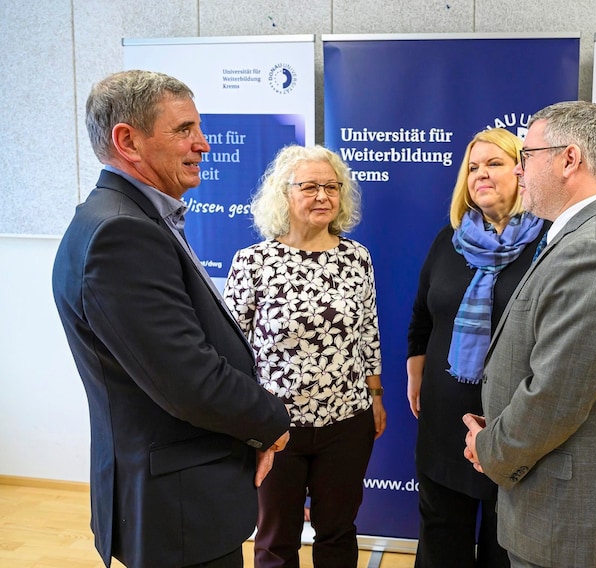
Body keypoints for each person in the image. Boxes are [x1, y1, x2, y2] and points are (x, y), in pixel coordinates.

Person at [51, 70, 291, 568]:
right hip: (179, 507)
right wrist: (271, 422)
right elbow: (189, 380)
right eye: (184, 130)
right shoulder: (123, 234)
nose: (203, 144)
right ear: (127, 141)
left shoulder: (122, 217)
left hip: (174, 497)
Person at [463, 101, 596, 568]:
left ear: (569, 159)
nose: (518, 168)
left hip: (571, 522)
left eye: (527, 155)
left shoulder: (595, 252)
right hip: (563, 510)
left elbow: (556, 395)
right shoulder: (584, 236)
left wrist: (490, 450)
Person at [223, 144, 385, 568]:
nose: (322, 197)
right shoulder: (254, 262)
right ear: (284, 194)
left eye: (331, 187)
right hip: (277, 428)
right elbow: (231, 348)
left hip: (347, 421)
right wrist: (245, 420)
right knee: (277, 540)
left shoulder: (356, 258)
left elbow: (368, 332)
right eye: (310, 187)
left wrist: (376, 397)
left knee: (338, 532)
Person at [407, 127, 548, 568]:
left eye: (494, 163)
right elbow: (421, 320)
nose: (480, 174)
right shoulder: (448, 240)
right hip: (443, 419)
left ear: (522, 172)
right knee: (439, 540)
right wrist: (417, 377)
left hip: (510, 423)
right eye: (472, 167)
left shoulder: (549, 245)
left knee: (503, 547)